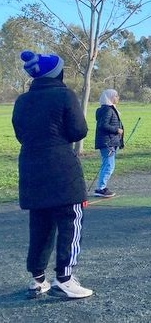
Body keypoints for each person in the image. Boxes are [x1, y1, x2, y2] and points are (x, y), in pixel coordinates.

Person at [12, 50, 94, 299]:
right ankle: (65, 278)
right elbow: (79, 131)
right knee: (71, 221)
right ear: (58, 72)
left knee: (40, 225)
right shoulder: (65, 95)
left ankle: (38, 279)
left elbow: (20, 134)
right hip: (61, 170)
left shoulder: (21, 101)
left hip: (31, 168)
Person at [94, 89, 124, 198]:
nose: (118, 98)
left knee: (108, 165)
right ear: (110, 98)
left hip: (110, 142)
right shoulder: (108, 110)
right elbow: (103, 125)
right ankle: (101, 188)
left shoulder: (109, 109)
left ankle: (102, 187)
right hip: (108, 142)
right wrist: (117, 130)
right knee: (109, 166)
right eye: (116, 96)